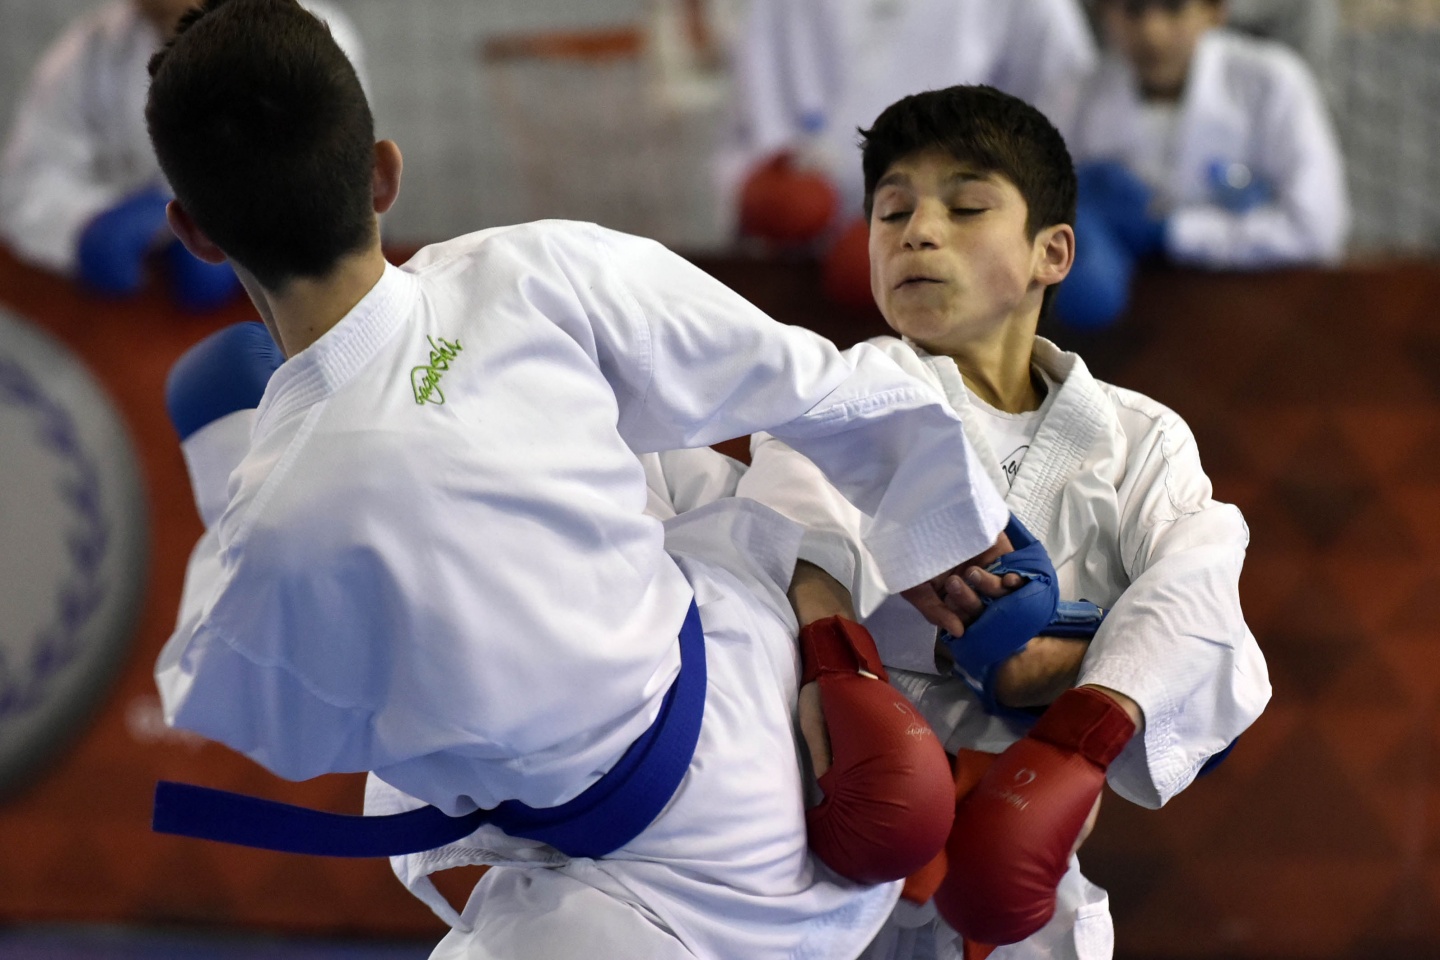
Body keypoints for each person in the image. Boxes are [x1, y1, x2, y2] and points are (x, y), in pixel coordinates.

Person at [146, 2, 1033, 957]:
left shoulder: (283, 522)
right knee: (699, 469)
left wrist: (245, 472)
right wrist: (944, 523)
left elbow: (255, 709)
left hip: (666, 892)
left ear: (194, 232)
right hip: (764, 684)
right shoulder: (537, 271)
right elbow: (805, 382)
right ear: (383, 173)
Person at [736, 84, 1272, 959]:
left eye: (967, 204)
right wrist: (845, 648)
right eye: (891, 210)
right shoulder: (847, 396)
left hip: (1022, 871)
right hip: (840, 860)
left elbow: (1202, 601)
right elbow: (795, 543)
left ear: (1053, 252)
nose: (917, 229)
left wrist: (1073, 724)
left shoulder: (1139, 440)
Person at [716, 0, 1097, 310]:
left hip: (963, 262)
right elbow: (753, 123)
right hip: (803, 269)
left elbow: (1063, 112)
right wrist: (768, 188)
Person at [0, 0, 365, 311]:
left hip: (271, 314)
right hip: (132, 313)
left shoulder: (307, 37)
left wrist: (246, 243)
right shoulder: (90, 52)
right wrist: (85, 226)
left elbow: (338, 187)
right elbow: (27, 183)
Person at [1056, 0, 1349, 329]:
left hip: (1265, 323)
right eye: (1133, 10)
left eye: (1174, 8)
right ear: (1104, 14)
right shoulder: (1076, 96)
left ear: (1215, 11)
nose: (1152, 33)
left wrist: (1178, 232)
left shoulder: (1272, 83)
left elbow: (1315, 230)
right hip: (1132, 331)